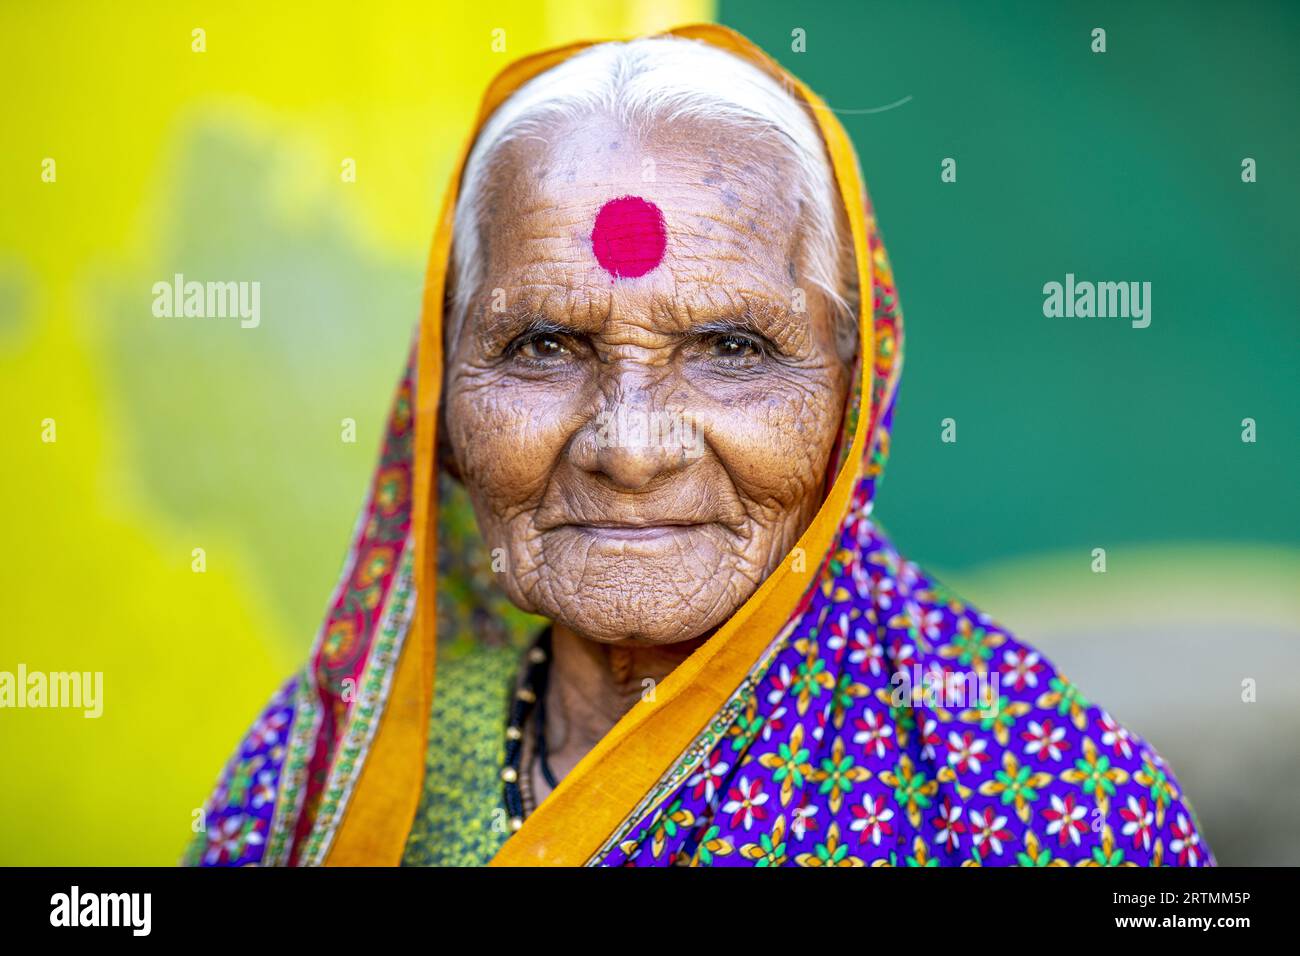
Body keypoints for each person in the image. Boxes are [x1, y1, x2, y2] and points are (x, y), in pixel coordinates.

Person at [187, 24, 1211, 868]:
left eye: (731, 349)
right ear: (441, 402)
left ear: (854, 403)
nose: (631, 447)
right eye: (542, 344)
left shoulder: (1042, 809)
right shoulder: (325, 771)